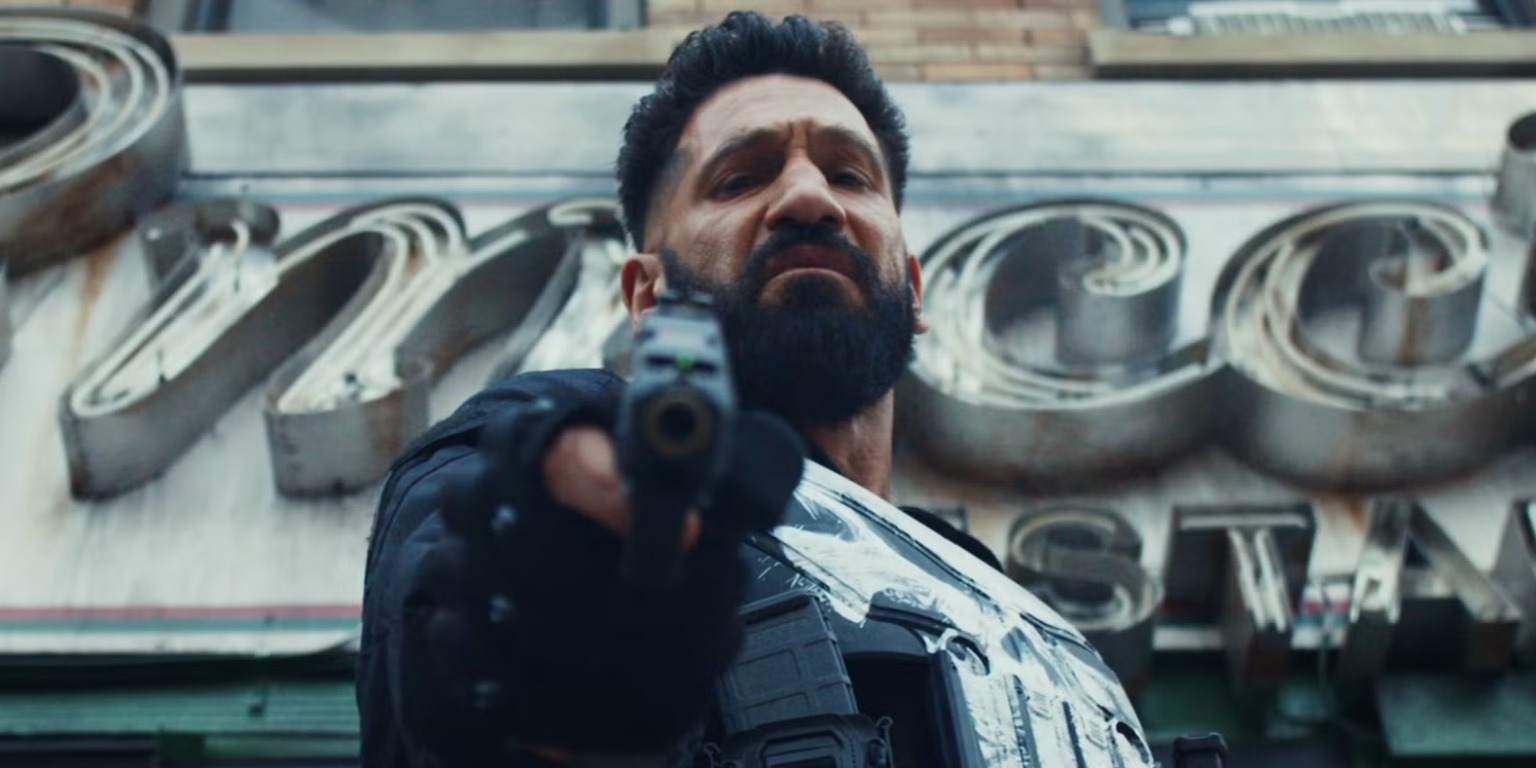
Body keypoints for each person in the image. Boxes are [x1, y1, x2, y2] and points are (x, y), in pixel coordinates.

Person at [358, 11, 1152, 768]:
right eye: (741, 178)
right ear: (648, 296)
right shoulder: (549, 450)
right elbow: (464, 663)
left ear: (913, 290)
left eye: (849, 174)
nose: (809, 199)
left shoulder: (1030, 627)